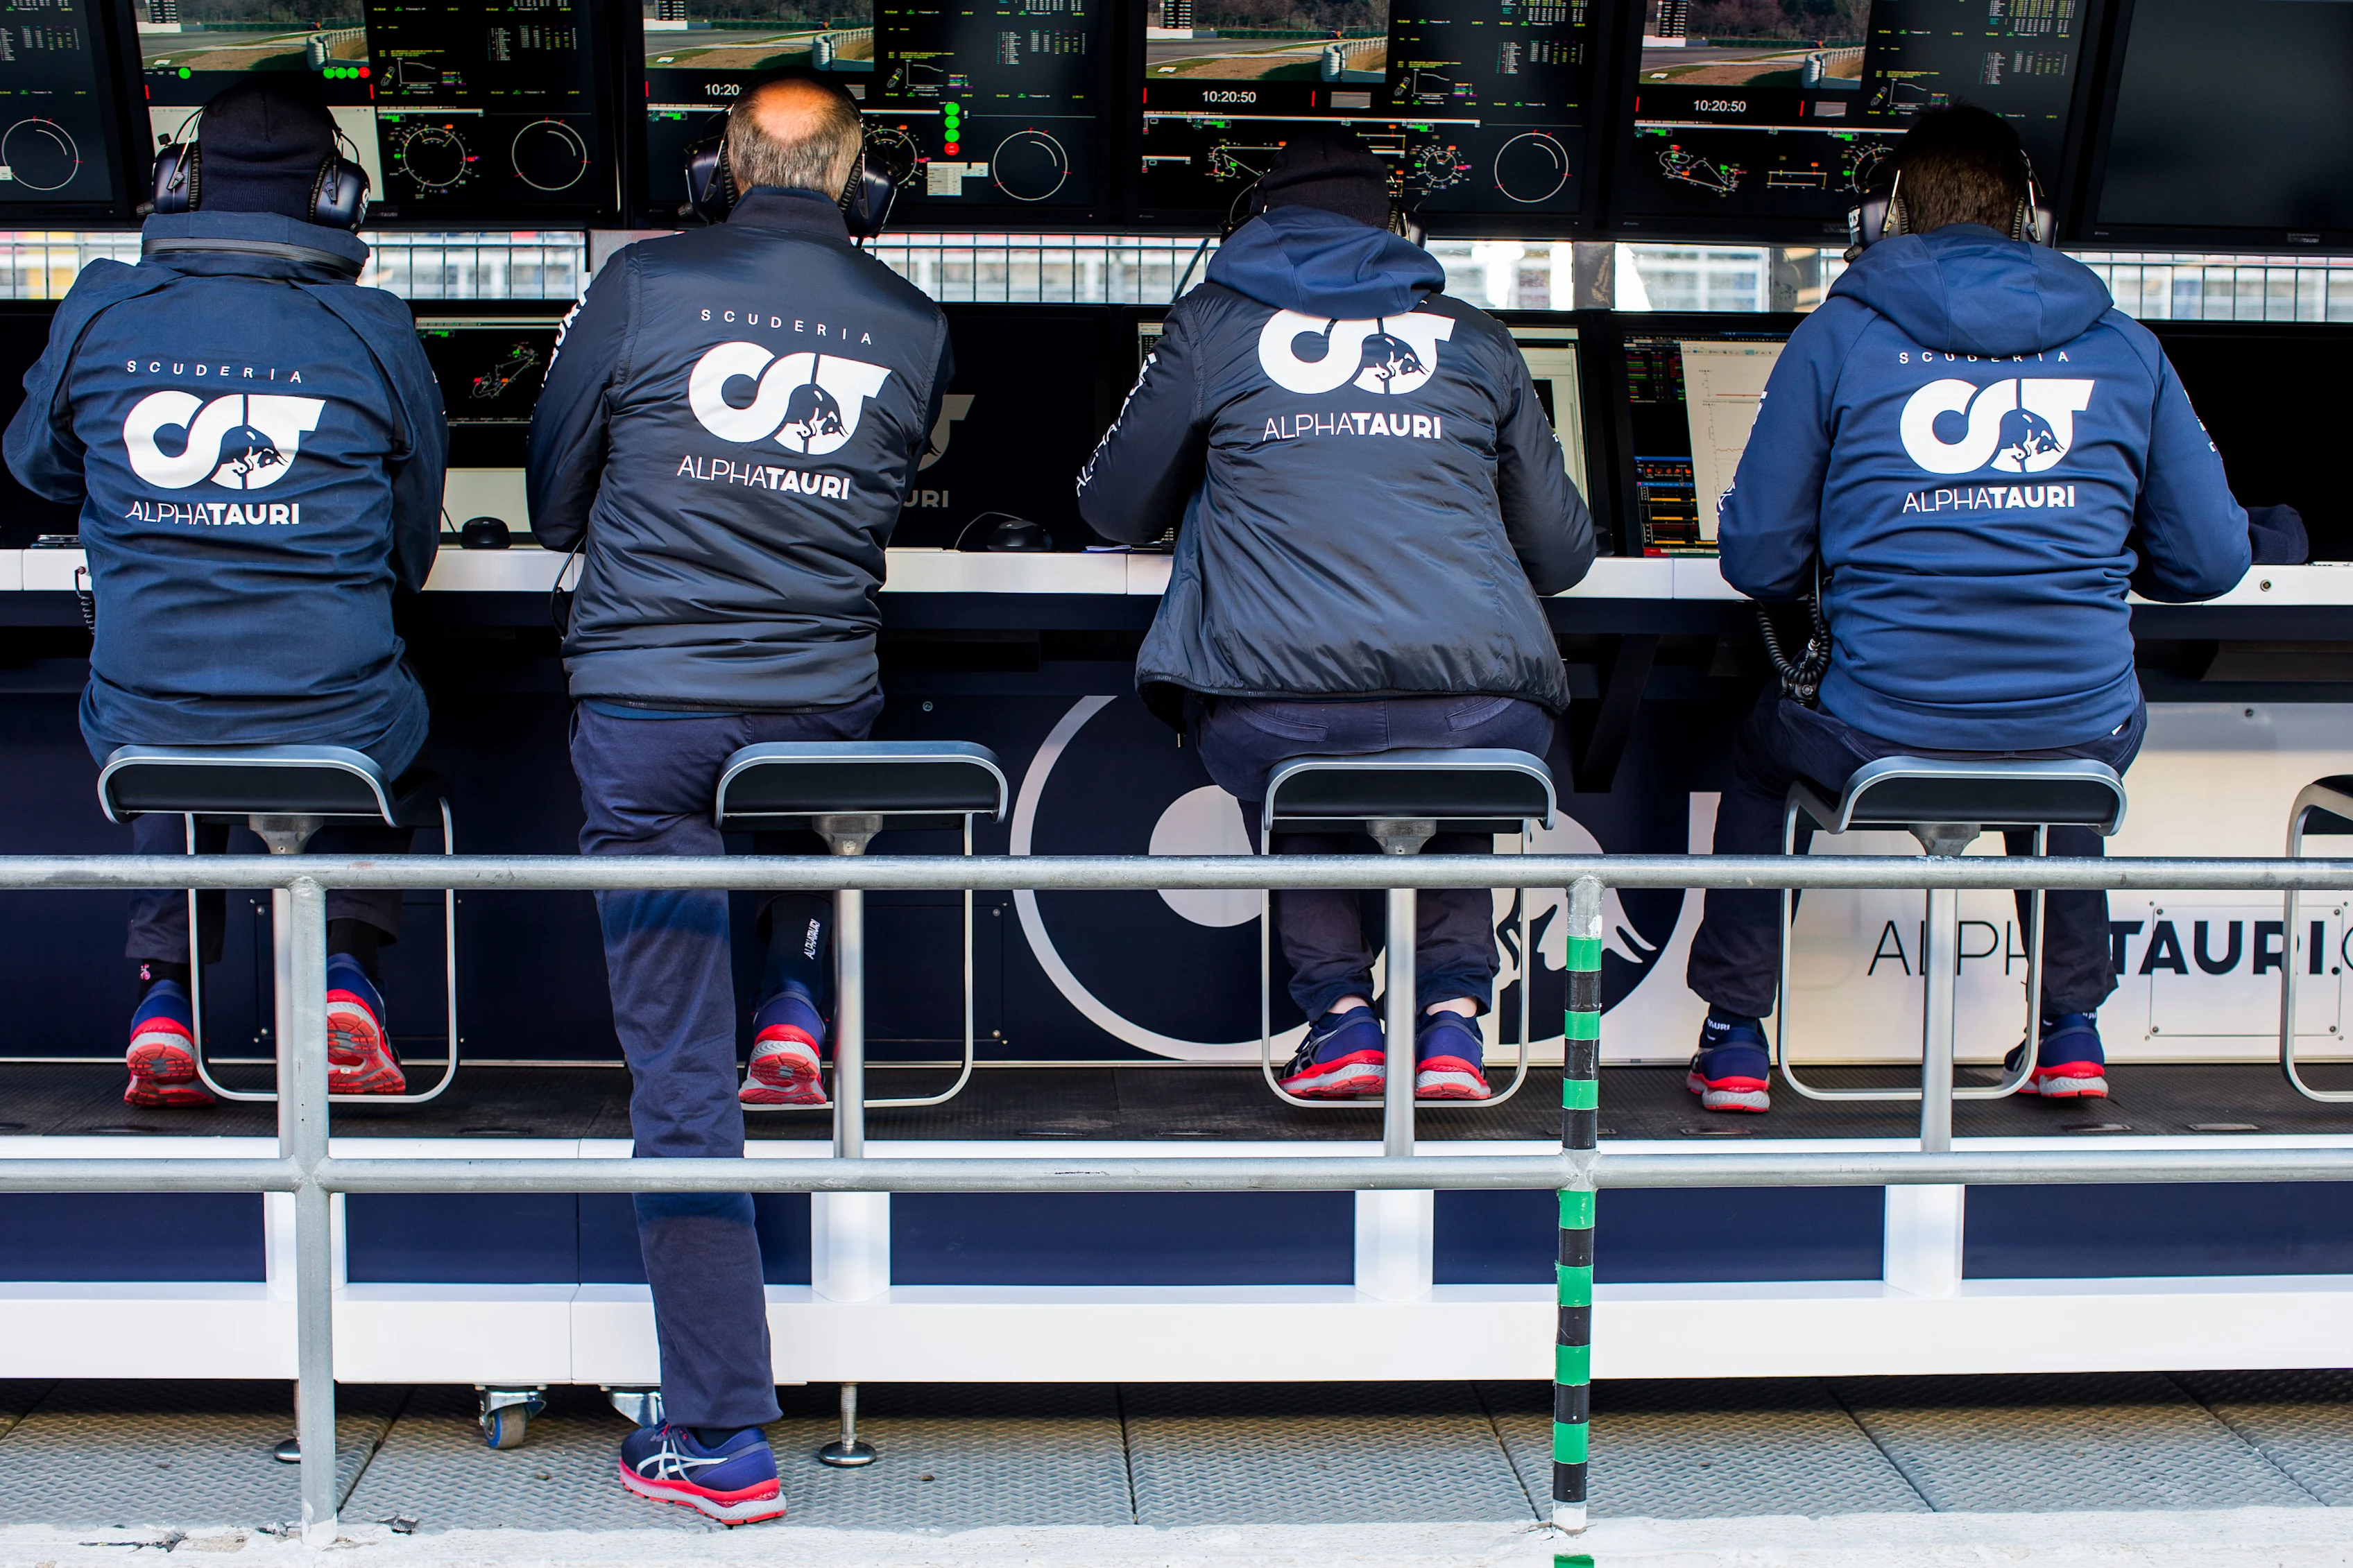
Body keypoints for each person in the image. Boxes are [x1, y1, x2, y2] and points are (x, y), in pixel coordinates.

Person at [527, 75, 950, 1523]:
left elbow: (551, 502)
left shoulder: (640, 282)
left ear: (719, 168)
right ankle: (790, 986)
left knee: (679, 1087)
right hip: (818, 707)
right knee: (784, 830)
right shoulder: (907, 316)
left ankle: (719, 1436)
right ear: (857, 180)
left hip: (646, 711)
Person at [1682, 105, 2250, 1114]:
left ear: (1882, 219)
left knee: (1764, 750)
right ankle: (2071, 1028)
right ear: (2032, 219)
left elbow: (1758, 558)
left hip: (1876, 732)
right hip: (2081, 731)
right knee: (2059, 736)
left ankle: (1734, 1035)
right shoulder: (2127, 348)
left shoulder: (1839, 336)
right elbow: (2209, 562)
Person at [1075, 127, 1593, 1103]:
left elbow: (1111, 507)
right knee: (1453, 765)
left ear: (1256, 223)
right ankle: (1452, 1023)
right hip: (1486, 706)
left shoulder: (1213, 322)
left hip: (1278, 707)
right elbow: (1564, 553)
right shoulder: (1477, 337)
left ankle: (1341, 1019)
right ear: (1397, 228)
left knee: (1291, 760)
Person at [3, 80, 446, 1108]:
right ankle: (348, 977)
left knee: (175, 731)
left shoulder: (103, 307)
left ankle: (163, 1000)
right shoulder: (373, 327)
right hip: (338, 722)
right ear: (337, 198)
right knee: (380, 727)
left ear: (179, 184)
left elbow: (33, 463)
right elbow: (410, 545)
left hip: (140, 718)